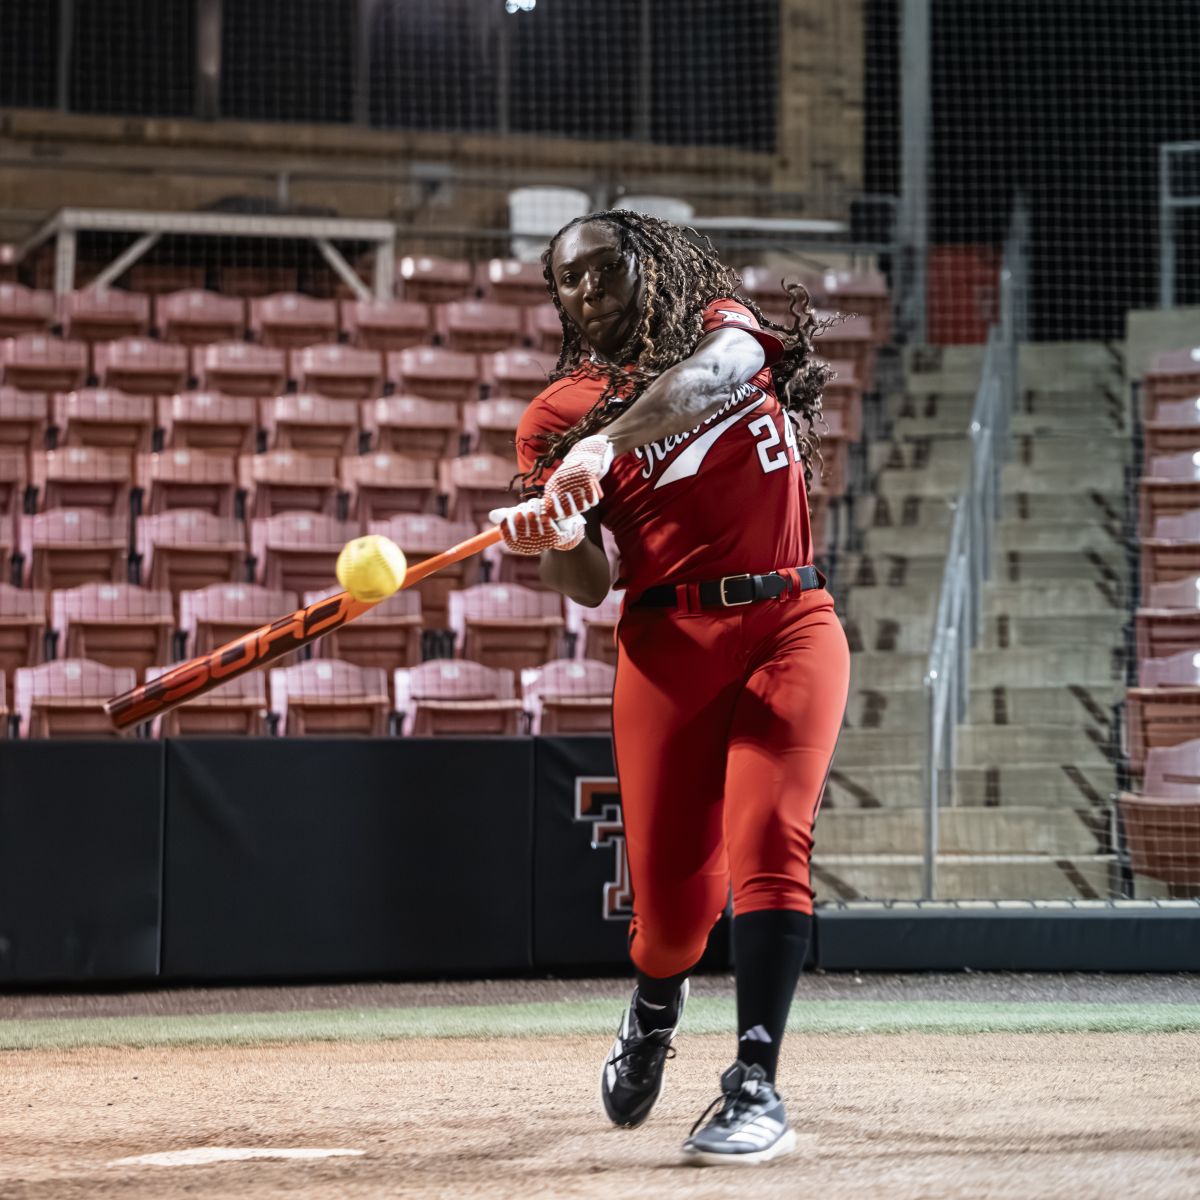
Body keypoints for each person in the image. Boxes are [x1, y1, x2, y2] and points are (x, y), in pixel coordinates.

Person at [489, 209, 850, 1166]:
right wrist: (558, 534)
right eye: (572, 281)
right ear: (556, 299)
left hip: (791, 618)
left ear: (651, 264)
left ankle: (755, 1082)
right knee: (674, 918)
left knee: (774, 836)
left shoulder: (718, 331)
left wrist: (606, 448)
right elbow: (588, 582)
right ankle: (655, 1005)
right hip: (666, 647)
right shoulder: (553, 417)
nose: (594, 291)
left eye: (609, 269)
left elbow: (721, 376)